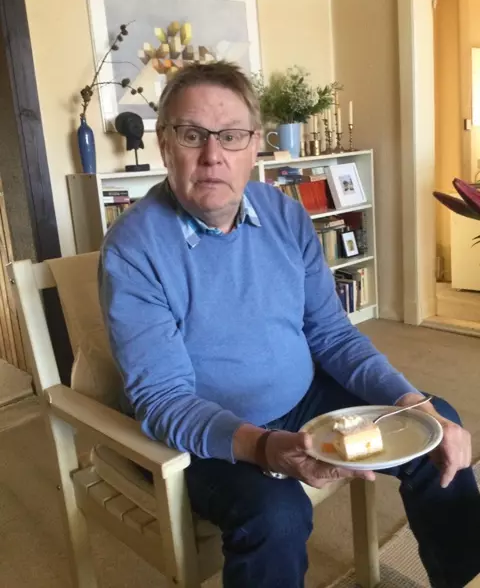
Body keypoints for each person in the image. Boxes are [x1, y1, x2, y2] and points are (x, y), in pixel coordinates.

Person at [99, 61, 479, 588]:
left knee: (435, 424)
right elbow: (164, 400)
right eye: (191, 135)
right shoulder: (132, 250)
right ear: (165, 144)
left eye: (231, 135)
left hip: (303, 400)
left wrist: (410, 402)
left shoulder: (285, 214)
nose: (213, 155)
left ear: (255, 145)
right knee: (276, 515)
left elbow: (332, 334)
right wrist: (262, 445)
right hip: (207, 435)